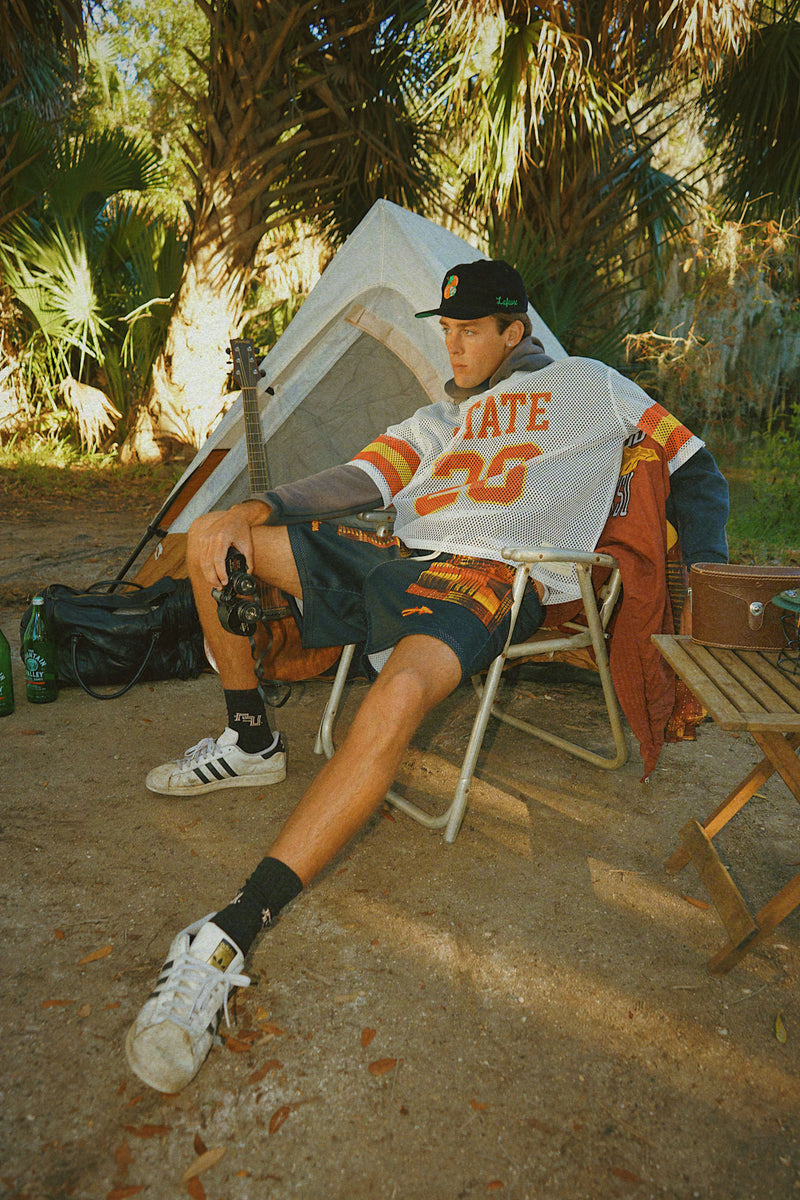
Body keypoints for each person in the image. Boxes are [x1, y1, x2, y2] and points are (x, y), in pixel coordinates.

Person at [125, 259, 729, 1093]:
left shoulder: (590, 385)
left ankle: (230, 929)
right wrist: (257, 509)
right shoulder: (442, 414)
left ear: (515, 331)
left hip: (493, 569)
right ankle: (251, 738)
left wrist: (708, 579)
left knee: (401, 692)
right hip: (399, 553)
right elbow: (362, 477)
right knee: (212, 538)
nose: (454, 346)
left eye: (470, 330)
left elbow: (695, 467)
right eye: (446, 330)